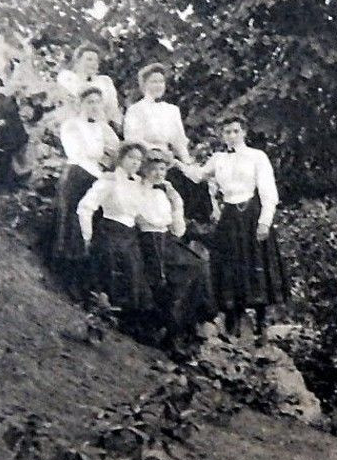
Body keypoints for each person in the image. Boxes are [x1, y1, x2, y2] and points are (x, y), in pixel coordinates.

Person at [190, 115, 288, 341]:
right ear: (222, 135)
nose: (232, 136)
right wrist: (175, 162)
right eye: (227, 132)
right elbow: (197, 176)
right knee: (230, 263)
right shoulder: (218, 159)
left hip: (252, 213)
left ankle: (262, 322)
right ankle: (233, 318)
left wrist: (265, 221)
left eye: (236, 131)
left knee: (257, 262)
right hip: (230, 215)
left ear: (244, 132)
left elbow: (268, 192)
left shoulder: (257, 157)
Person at [137, 149, 217, 349]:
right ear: (145, 170)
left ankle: (188, 326)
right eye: (153, 169)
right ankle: (171, 330)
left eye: (162, 169)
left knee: (198, 266)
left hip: (166, 239)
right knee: (179, 275)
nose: (158, 173)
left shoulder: (165, 191)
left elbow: (178, 230)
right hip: (146, 240)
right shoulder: (138, 189)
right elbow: (142, 219)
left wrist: (176, 204)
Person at [49, 86, 120, 300]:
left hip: (96, 177)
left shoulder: (104, 129)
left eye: (98, 103)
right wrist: (100, 156)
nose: (94, 107)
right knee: (74, 222)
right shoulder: (71, 125)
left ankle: (85, 281)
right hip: (77, 175)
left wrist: (106, 159)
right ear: (80, 104)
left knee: (94, 226)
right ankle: (67, 275)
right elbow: (77, 153)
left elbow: (116, 153)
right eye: (90, 102)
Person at [123, 62, 209, 230]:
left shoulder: (172, 110)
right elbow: (133, 140)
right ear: (144, 85)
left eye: (161, 81)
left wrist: (187, 163)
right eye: (153, 81)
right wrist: (156, 154)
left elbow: (179, 141)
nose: (158, 85)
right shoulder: (136, 110)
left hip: (168, 159)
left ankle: (189, 228)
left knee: (195, 183)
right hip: (145, 160)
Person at [77, 142, 153, 314]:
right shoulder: (109, 180)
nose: (135, 163)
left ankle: (124, 315)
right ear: (121, 158)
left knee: (134, 270)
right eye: (131, 157)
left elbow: (141, 213)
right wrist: (86, 235)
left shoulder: (139, 184)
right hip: (109, 230)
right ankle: (100, 306)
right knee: (109, 264)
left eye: (139, 160)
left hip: (130, 234)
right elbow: (86, 206)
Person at [56, 44, 122, 129]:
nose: (94, 63)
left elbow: (112, 108)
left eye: (96, 61)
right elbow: (80, 93)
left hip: (101, 127)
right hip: (75, 128)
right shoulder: (66, 77)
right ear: (78, 61)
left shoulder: (105, 81)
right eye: (89, 59)